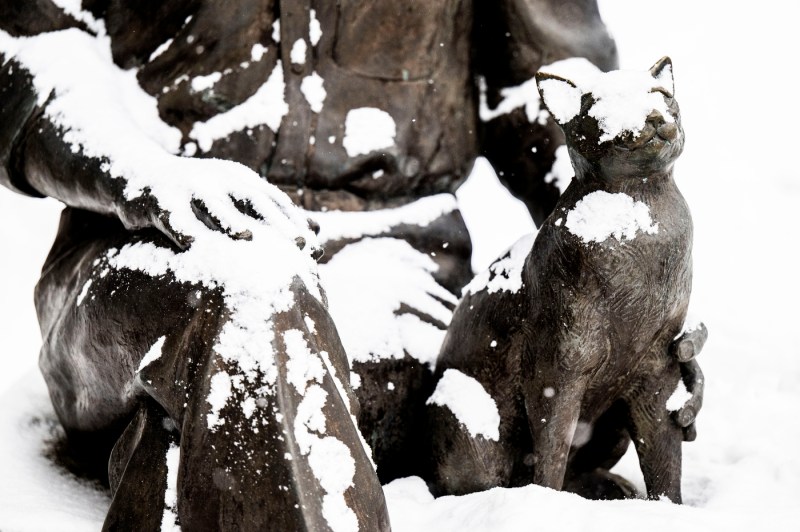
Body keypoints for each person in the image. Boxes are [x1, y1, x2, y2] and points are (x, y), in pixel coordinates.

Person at [0, 1, 702, 529]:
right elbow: (30, 49)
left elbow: (559, 103)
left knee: (455, 416)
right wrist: (142, 175)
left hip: (401, 277)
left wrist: (630, 297)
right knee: (254, 302)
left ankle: (189, 461)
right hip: (149, 255)